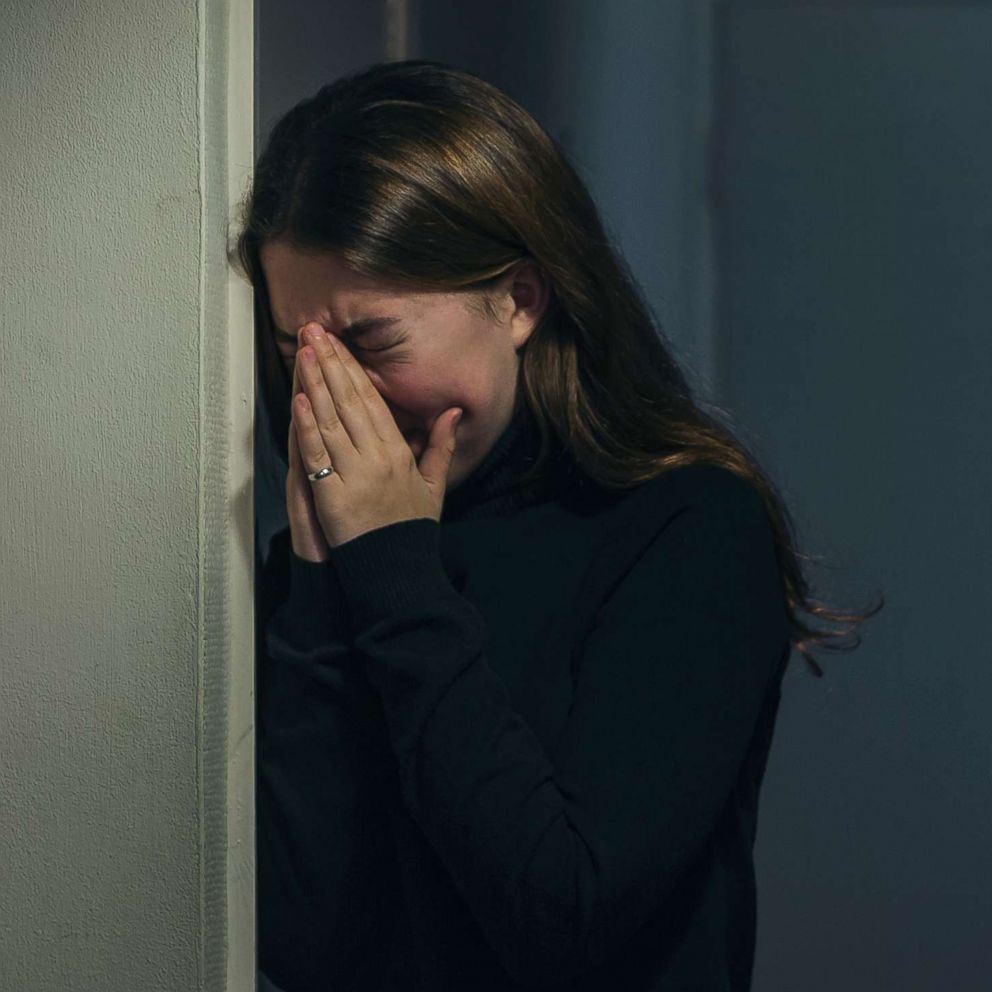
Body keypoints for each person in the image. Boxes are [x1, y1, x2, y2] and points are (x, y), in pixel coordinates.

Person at [232, 59, 882, 992]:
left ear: (519, 301)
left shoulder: (689, 531)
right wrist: (323, 588)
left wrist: (394, 574)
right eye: (301, 352)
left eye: (372, 344)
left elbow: (564, 916)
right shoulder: (317, 564)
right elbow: (304, 953)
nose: (332, 401)